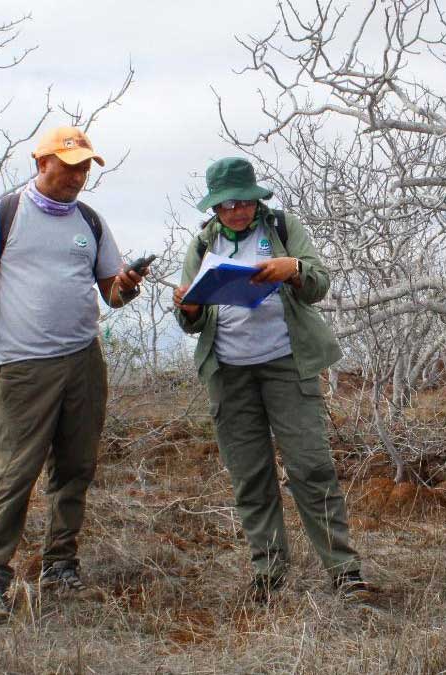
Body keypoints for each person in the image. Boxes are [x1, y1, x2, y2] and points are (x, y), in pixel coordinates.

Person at [0, 126, 145, 623]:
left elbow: (111, 293)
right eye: (68, 166)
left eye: (85, 167)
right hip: (24, 365)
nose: (77, 176)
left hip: (83, 361)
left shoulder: (90, 220)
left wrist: (127, 286)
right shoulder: (5, 213)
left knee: (75, 467)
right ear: (41, 162)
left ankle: (60, 565)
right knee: (14, 473)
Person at [173, 157, 370, 601]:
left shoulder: (281, 227)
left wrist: (293, 269)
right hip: (228, 371)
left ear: (256, 198)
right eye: (226, 205)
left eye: (244, 201)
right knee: (249, 474)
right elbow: (190, 316)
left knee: (311, 466)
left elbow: (319, 283)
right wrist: (186, 307)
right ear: (215, 209)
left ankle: (344, 571)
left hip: (286, 363)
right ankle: (269, 573)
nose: (237, 211)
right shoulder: (204, 243)